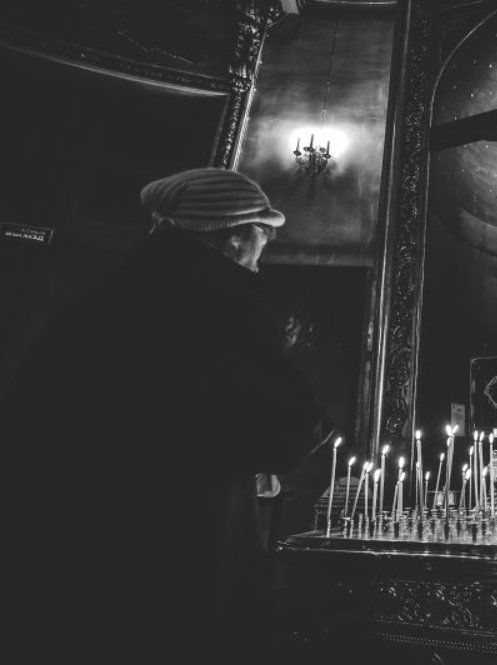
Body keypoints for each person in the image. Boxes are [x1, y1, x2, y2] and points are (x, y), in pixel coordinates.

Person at [2, 168, 332, 661]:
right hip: (174, 554)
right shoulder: (216, 300)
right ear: (238, 236)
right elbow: (288, 429)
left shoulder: (106, 294)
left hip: (65, 556)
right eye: (264, 234)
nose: (265, 249)